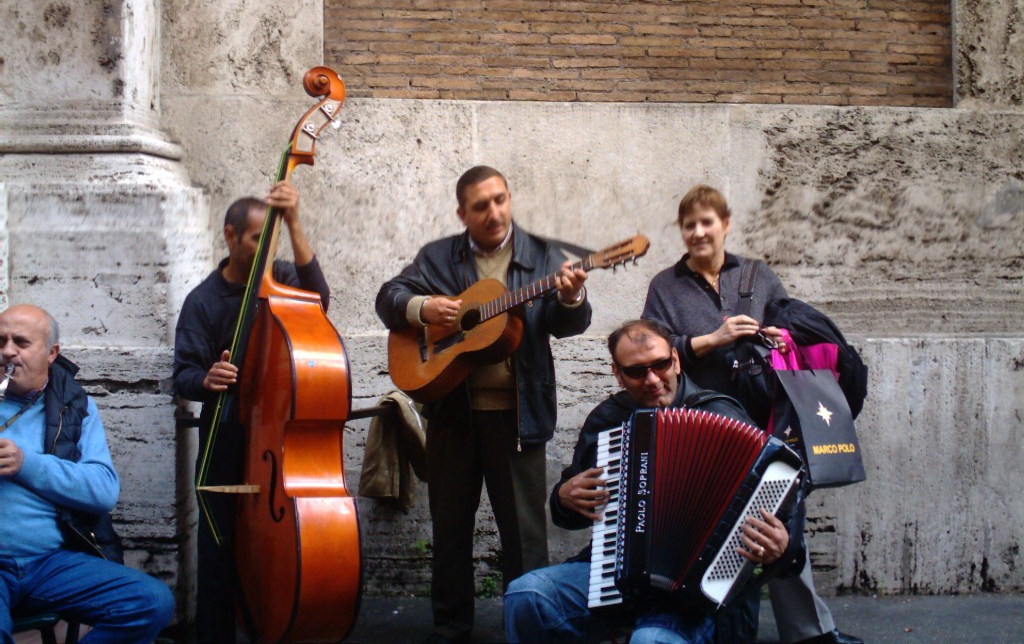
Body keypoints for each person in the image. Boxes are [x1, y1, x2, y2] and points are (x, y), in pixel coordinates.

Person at [375, 165, 592, 644]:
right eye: (480, 206)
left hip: (519, 419)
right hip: (452, 415)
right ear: (463, 213)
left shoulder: (541, 257)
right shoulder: (438, 257)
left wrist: (572, 296)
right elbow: (389, 297)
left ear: (509, 198)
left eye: (500, 200)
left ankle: (527, 625)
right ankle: (451, 627)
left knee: (525, 534)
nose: (493, 213)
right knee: (450, 529)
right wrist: (423, 308)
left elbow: (567, 324)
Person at [642, 184, 862, 644]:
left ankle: (809, 633)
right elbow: (656, 352)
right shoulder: (665, 286)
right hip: (704, 426)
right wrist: (712, 339)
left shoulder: (759, 276)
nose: (699, 232)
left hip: (768, 421)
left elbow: (790, 332)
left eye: (707, 222)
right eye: (689, 225)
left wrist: (781, 338)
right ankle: (716, 624)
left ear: (726, 224)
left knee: (780, 522)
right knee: (715, 530)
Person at [504, 319, 801, 644]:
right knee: (526, 596)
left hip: (696, 598)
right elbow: (570, 516)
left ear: (675, 359)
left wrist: (782, 545)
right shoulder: (608, 420)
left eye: (660, 364)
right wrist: (563, 497)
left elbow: (786, 526)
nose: (652, 379)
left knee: (652, 640)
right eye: (636, 371)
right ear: (617, 373)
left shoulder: (721, 415)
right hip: (614, 576)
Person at [172, 180, 330, 644]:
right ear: (230, 236)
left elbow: (320, 302)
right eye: (256, 237)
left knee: (277, 540)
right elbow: (182, 374)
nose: (265, 247)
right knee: (219, 541)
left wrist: (295, 222)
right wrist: (206, 379)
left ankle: (275, 622)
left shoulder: (281, 281)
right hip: (225, 437)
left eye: (271, 237)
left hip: (275, 440)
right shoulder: (202, 301)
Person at [0, 304, 175, 644]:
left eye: (20, 342)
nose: (7, 351)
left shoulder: (76, 407)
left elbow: (103, 491)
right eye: (0, 341)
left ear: (52, 353)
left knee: (151, 602)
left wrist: (27, 464)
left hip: (49, 564)